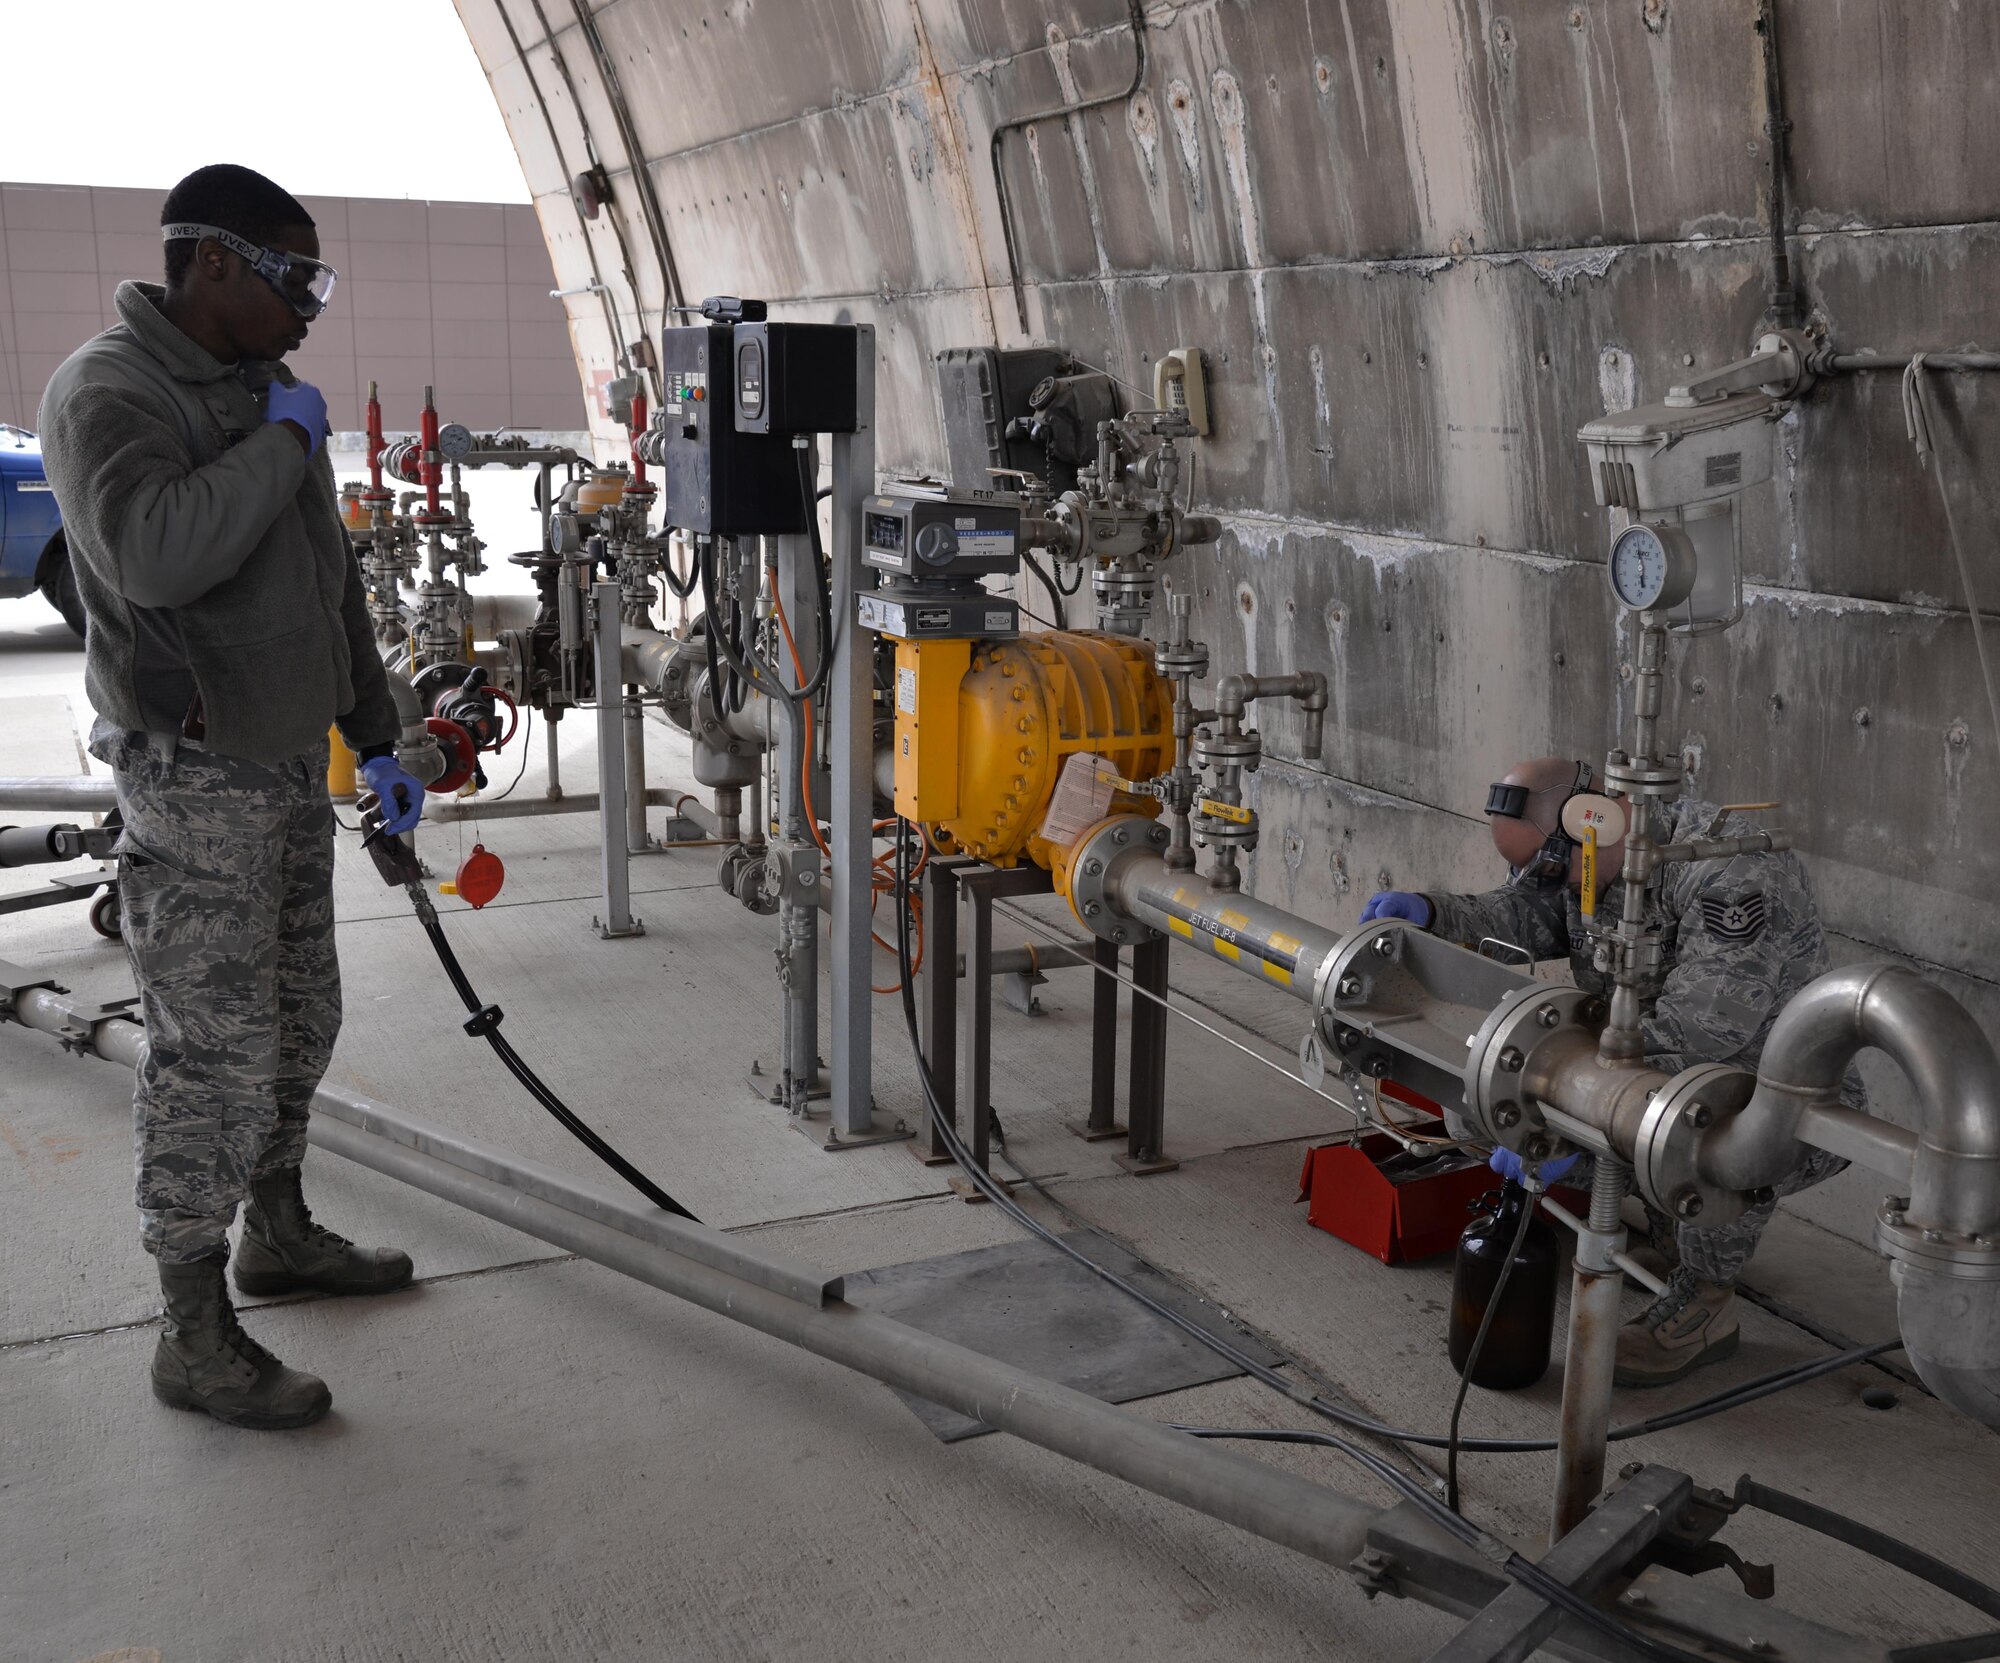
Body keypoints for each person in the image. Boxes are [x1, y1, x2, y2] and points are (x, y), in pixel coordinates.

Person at [38, 164, 428, 1430]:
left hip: (285, 766)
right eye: (294, 280)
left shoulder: (261, 392)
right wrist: (284, 442)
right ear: (211, 261)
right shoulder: (107, 392)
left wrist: (377, 734)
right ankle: (193, 1335)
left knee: (300, 1021)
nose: (308, 311)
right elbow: (158, 555)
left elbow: (325, 583)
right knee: (211, 1059)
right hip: (193, 777)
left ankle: (279, 1231)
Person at [1362, 756, 1852, 1386]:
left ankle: (1706, 1304)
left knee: (1709, 1139)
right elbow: (1527, 913)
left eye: (1544, 866)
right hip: (1645, 1075)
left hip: (1774, 1098)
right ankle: (1670, 1229)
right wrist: (1434, 914)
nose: (1542, 882)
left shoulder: (1730, 871)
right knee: (1478, 1107)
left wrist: (1576, 1107)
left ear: (1588, 820)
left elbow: (1706, 1033)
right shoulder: (1587, 862)